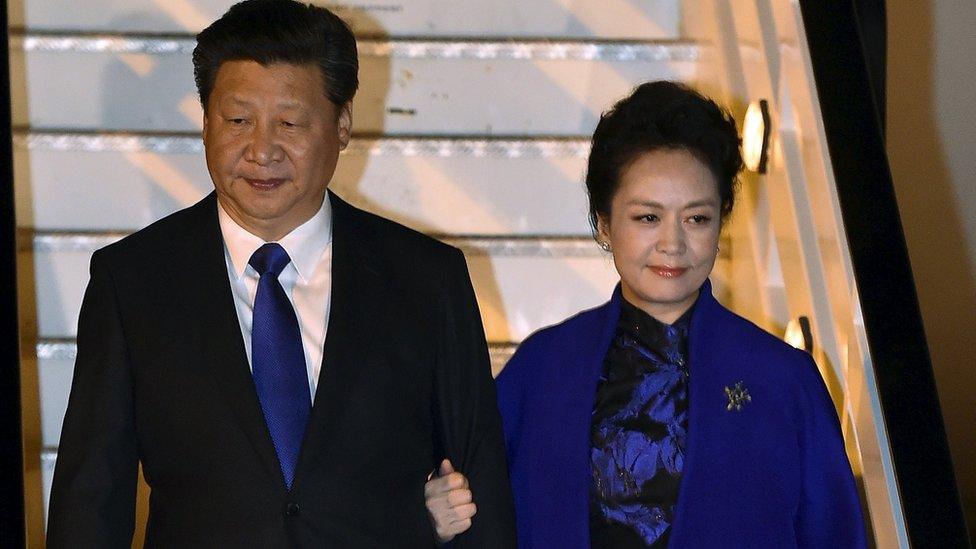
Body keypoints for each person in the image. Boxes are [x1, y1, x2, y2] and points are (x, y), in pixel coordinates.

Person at [46, 1, 515, 546]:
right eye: (237, 120)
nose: (261, 150)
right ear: (204, 123)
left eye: (290, 123)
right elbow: (91, 500)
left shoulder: (427, 279)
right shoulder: (132, 281)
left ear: (342, 126)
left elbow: (481, 488)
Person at [425, 81, 867, 547]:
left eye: (697, 218)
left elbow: (835, 534)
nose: (672, 244)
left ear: (721, 222)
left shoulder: (781, 378)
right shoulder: (545, 368)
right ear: (604, 223)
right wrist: (433, 516)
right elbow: (470, 502)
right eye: (647, 218)